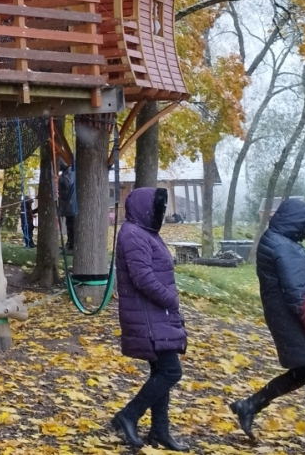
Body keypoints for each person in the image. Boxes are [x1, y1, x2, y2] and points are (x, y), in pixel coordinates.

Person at [229, 198, 305, 453]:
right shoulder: (283, 247)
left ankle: (250, 405)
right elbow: (297, 293)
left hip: (286, 317)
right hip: (297, 320)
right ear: (295, 222)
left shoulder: (277, 240)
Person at [108, 187, 189, 452]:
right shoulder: (133, 233)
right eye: (158, 207)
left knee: (160, 372)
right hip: (148, 315)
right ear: (145, 207)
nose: (161, 213)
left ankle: (160, 431)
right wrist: (171, 300)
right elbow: (142, 276)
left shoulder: (146, 233)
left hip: (157, 316)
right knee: (170, 371)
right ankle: (129, 415)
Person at [57, 164, 77, 252]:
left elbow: (68, 182)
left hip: (71, 204)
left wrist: (59, 179)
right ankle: (69, 243)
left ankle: (72, 244)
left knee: (72, 226)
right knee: (69, 225)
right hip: (67, 204)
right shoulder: (66, 172)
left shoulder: (70, 172)